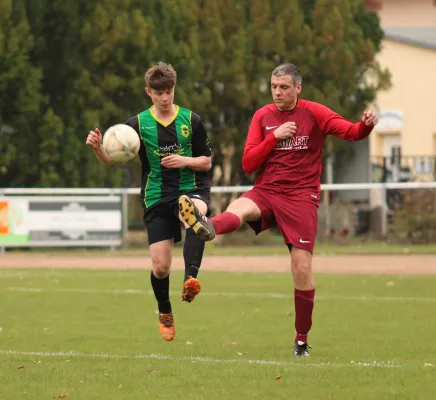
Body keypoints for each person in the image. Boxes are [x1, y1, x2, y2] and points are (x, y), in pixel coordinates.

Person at [178, 63, 378, 357]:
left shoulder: (314, 113)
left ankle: (301, 339)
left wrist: (367, 124)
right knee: (241, 206)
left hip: (300, 198)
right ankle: (209, 227)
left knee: (301, 269)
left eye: (284, 87)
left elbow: (352, 132)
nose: (277, 92)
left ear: (298, 88)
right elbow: (248, 164)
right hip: (268, 191)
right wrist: (274, 137)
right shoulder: (263, 117)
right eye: (273, 87)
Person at [86, 62, 212, 342]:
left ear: (174, 88)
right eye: (159, 93)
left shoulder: (192, 121)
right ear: (149, 92)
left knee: (189, 210)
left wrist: (185, 160)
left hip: (190, 188)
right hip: (155, 196)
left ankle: (190, 278)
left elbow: (206, 162)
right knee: (160, 267)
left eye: (169, 92)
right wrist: (98, 148)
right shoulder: (137, 126)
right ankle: (165, 310)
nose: (165, 98)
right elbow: (112, 160)